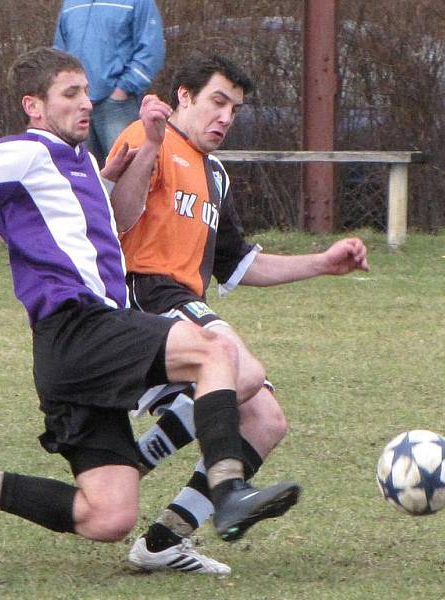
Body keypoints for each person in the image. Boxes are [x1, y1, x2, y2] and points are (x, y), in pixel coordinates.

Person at [0, 47, 300, 548]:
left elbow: (99, 226)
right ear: (34, 106)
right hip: (79, 327)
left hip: (71, 359)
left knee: (108, 517)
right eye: (70, 94)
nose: (86, 104)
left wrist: (110, 176)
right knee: (216, 351)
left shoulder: (81, 163)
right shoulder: (24, 153)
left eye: (86, 92)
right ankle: (228, 491)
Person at [107, 54, 370, 574]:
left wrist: (322, 263)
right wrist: (152, 145)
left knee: (267, 421)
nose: (225, 117)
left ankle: (163, 542)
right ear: (184, 96)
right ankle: (130, 464)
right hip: (142, 296)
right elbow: (117, 214)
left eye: (235, 108)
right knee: (239, 367)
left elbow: (239, 263)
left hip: (184, 304)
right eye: (217, 102)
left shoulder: (216, 174)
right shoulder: (147, 136)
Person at [52, 0, 165, 166]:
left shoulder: (138, 2)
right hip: (76, 104)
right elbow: (59, 52)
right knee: (81, 173)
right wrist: (66, 91)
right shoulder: (71, 3)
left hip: (118, 106)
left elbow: (152, 48)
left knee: (126, 171)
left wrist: (124, 89)